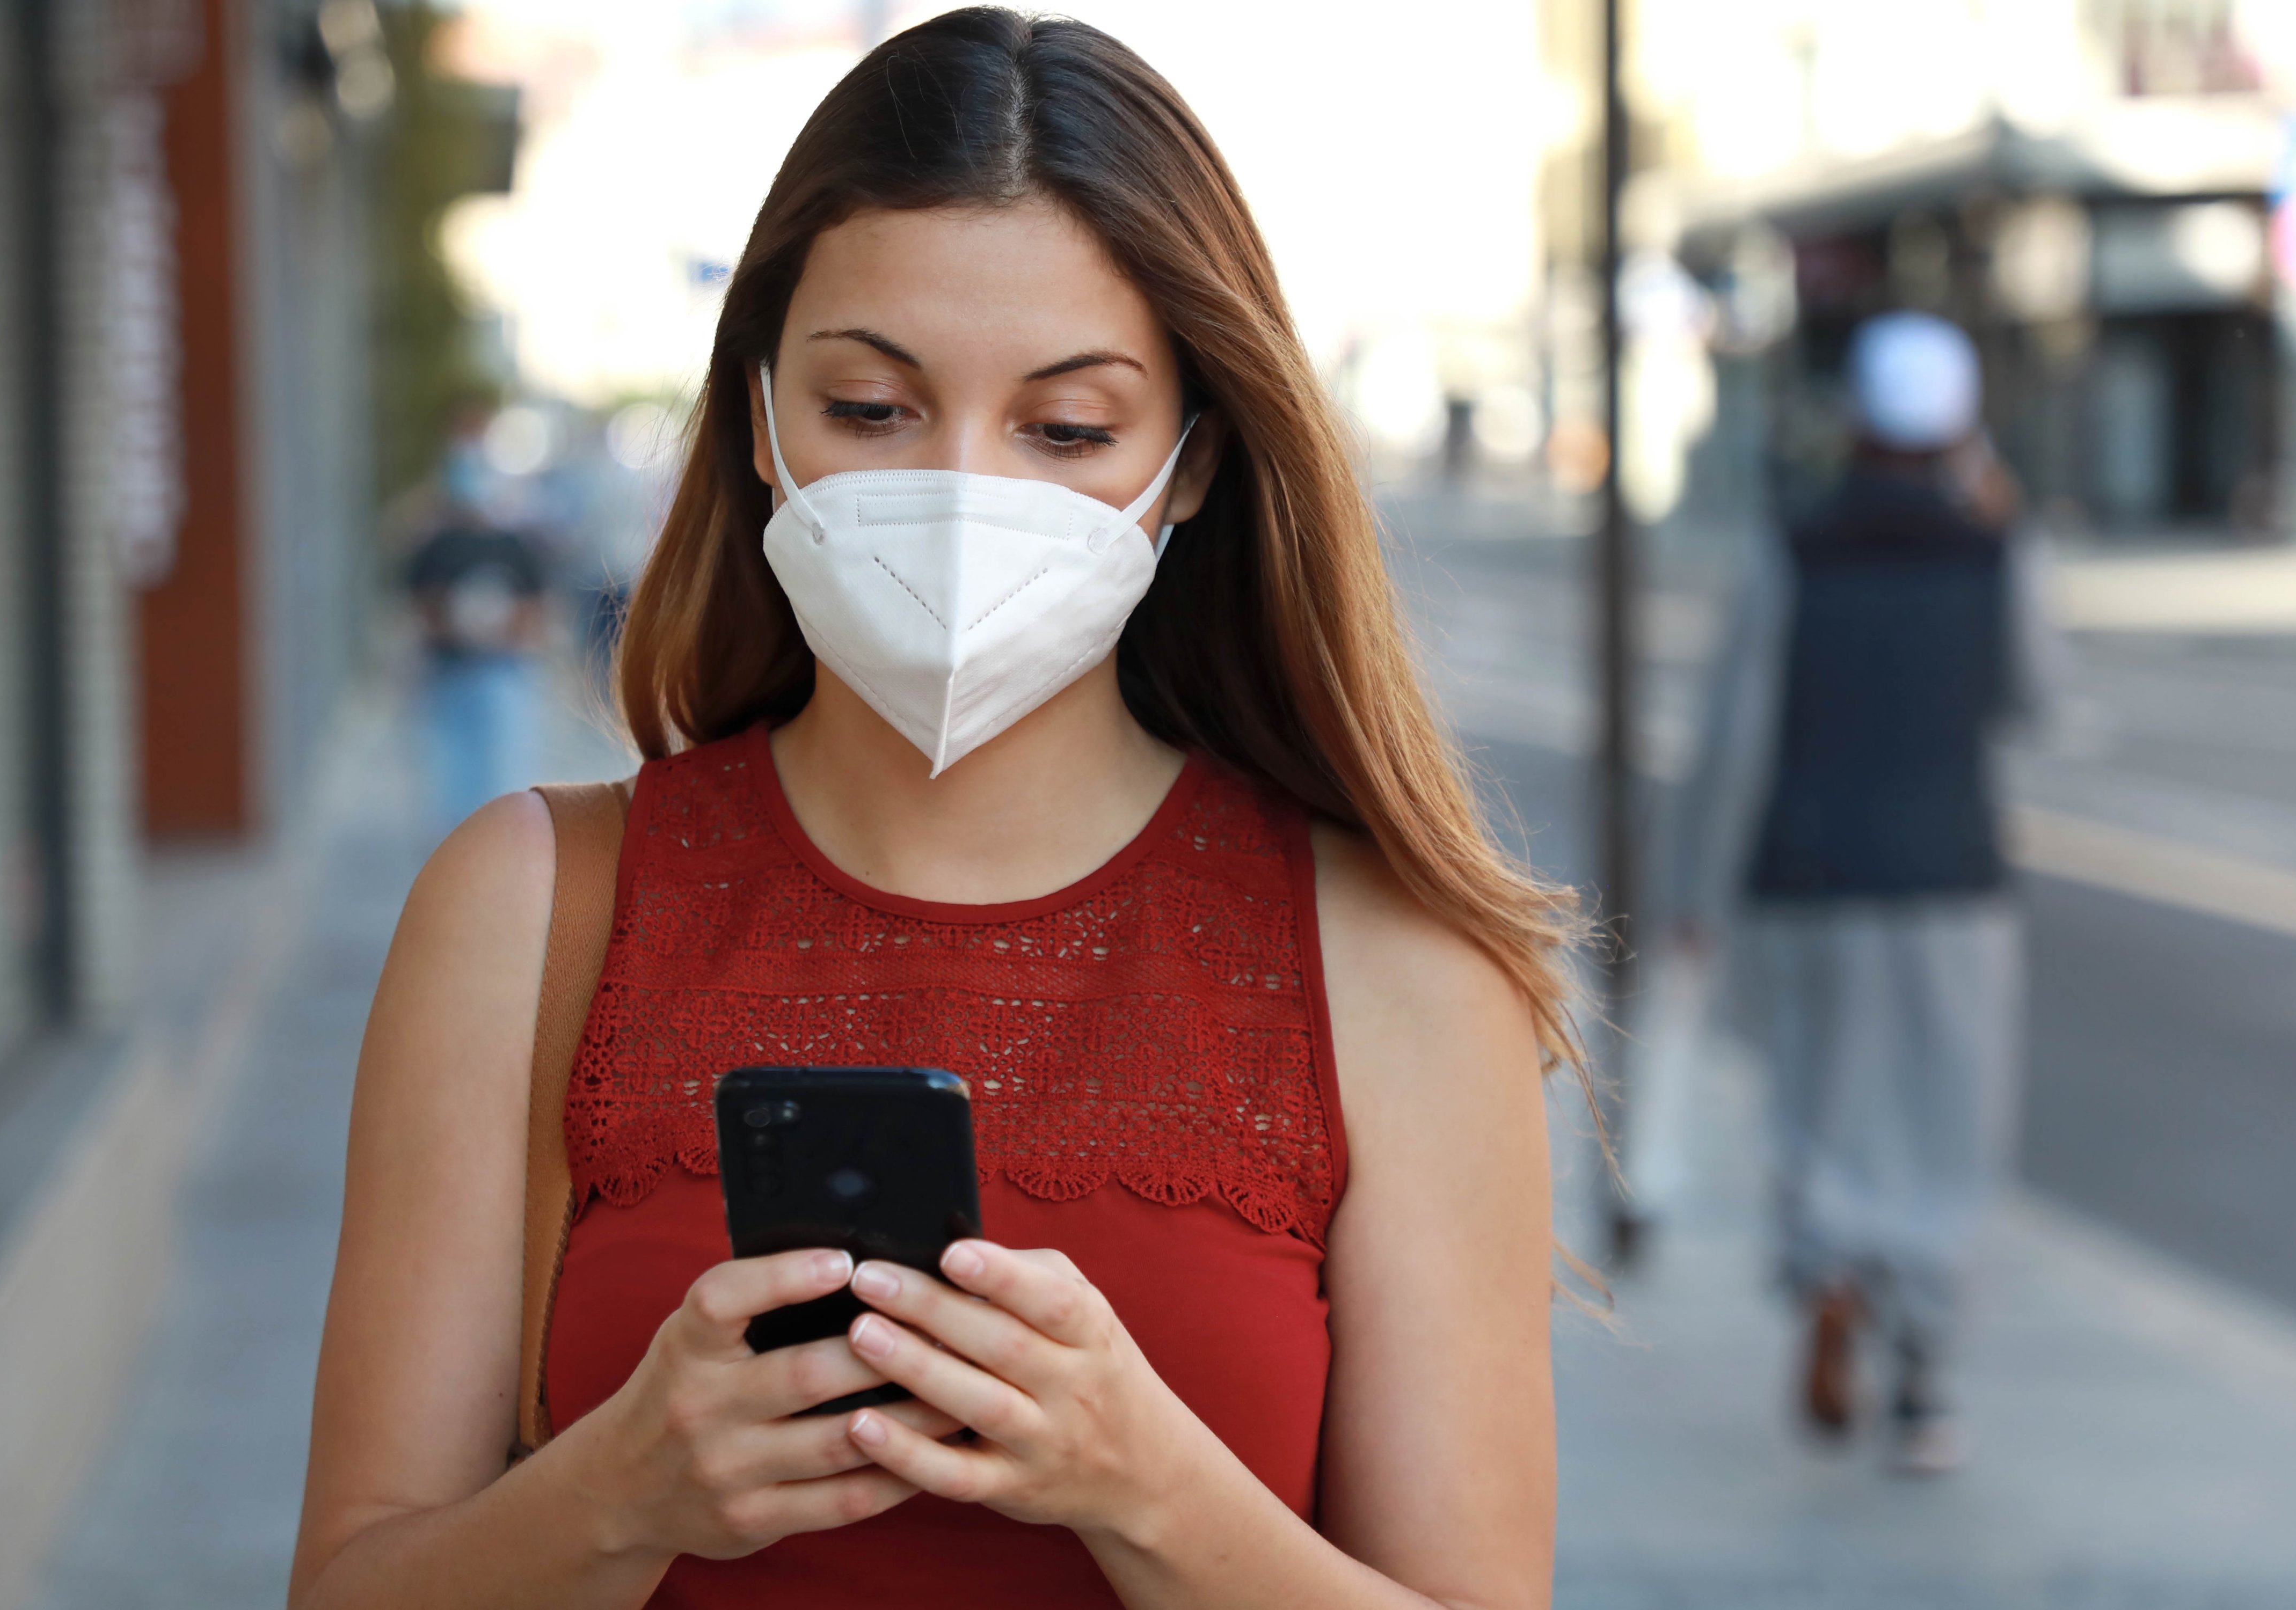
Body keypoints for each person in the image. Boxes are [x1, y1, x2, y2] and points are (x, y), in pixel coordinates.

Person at [290, 12, 1577, 1608]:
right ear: (760, 420)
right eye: (875, 409)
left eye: (1067, 428)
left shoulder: (1387, 965)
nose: (968, 494)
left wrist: (1151, 1485)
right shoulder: (530, 909)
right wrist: (621, 1492)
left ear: (1190, 462)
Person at [1658, 310, 2056, 1477]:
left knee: (1818, 1097)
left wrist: (1696, 890)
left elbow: (1733, 738)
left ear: (1854, 427)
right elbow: (2036, 697)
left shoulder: (1793, 547)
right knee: (1949, 1115)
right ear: (1961, 430)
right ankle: (1925, 1381)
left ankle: (1827, 1269)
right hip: (1950, 876)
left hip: (1807, 873)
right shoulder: (1998, 550)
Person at [405, 429, 551, 835]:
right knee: (450, 783)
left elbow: (536, 609)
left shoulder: (514, 546)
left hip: (502, 673)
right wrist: (455, 628)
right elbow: (420, 605)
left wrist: (501, 633)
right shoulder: (435, 545)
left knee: (502, 777)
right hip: (447, 674)